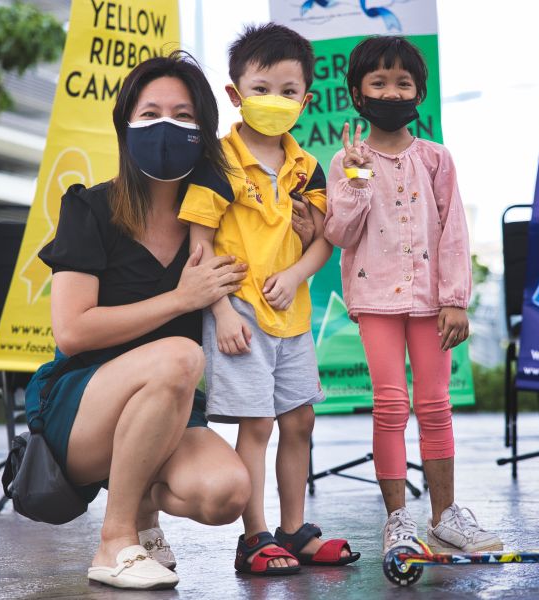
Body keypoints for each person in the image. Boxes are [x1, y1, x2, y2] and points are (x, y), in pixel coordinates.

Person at [23, 52, 252, 591]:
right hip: (83, 408)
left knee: (226, 493)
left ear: (204, 130)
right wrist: (180, 299)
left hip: (170, 409)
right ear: (125, 125)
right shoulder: (91, 209)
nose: (166, 127)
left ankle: (143, 507)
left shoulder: (216, 222)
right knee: (181, 355)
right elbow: (72, 332)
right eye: (150, 114)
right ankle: (116, 540)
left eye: (183, 115)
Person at [178, 23, 360, 575]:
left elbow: (324, 239)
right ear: (236, 95)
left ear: (305, 100)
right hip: (240, 315)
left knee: (300, 420)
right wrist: (219, 312)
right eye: (261, 89)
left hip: (293, 317)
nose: (274, 100)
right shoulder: (218, 161)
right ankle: (254, 537)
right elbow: (199, 246)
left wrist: (298, 273)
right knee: (255, 426)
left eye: (287, 91)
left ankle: (293, 530)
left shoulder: (309, 167)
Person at [324, 36, 504, 557]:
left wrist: (455, 298)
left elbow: (454, 230)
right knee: (389, 404)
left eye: (403, 82)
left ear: (419, 93)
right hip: (374, 299)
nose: (391, 92)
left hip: (431, 302)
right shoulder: (347, 162)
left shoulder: (436, 158)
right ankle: (397, 520)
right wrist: (356, 177)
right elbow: (340, 233)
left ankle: (445, 516)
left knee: (435, 404)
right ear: (357, 94)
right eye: (378, 82)